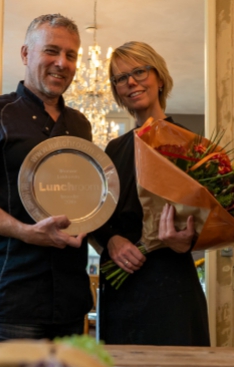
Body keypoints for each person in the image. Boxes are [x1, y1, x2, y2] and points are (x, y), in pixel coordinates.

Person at [0, 14, 94, 342]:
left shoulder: (81, 124)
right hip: (9, 301)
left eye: (71, 55)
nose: (61, 63)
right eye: (51, 51)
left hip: (70, 301)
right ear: (26, 54)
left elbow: (88, 199)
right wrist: (26, 232)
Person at [91, 41, 210, 346]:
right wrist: (111, 240)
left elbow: (210, 219)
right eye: (120, 78)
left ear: (158, 78)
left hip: (170, 286)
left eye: (139, 71)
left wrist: (187, 241)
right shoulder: (113, 150)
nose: (130, 82)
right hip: (120, 287)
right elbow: (99, 214)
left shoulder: (190, 144)